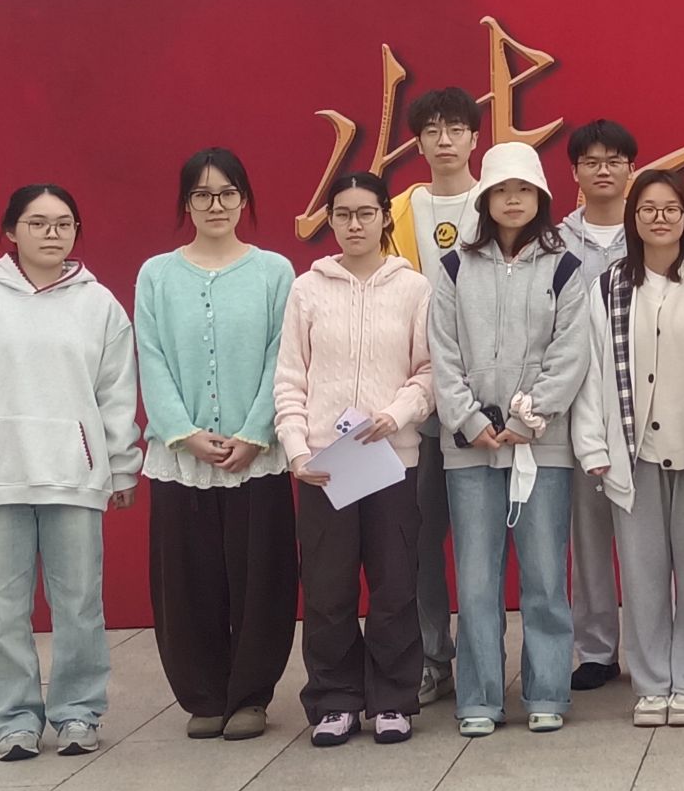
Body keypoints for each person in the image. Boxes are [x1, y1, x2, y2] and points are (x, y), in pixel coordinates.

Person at [0, 185, 140, 761]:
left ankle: (78, 713)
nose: (51, 233)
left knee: (80, 605)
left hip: (75, 478)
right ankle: (14, 720)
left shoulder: (100, 305)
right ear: (11, 232)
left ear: (76, 232)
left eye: (63, 223)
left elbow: (117, 395)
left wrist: (121, 466)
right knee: (5, 610)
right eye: (37, 223)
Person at [573, 169, 684, 728]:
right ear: (634, 218)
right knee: (642, 574)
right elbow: (591, 370)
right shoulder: (609, 286)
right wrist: (593, 445)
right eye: (648, 208)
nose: (659, 218)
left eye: (670, 208)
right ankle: (651, 685)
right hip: (634, 453)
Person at [135, 148, 299, 741]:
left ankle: (251, 696)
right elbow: (150, 356)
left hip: (258, 457)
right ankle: (203, 695)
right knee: (186, 581)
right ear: (186, 203)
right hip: (182, 459)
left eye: (228, 193)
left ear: (244, 199)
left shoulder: (275, 272)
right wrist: (183, 433)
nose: (216, 205)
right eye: (202, 195)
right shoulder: (156, 275)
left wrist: (255, 433)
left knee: (262, 579)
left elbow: (283, 356)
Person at [430, 141, 591, 738]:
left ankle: (547, 691)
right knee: (476, 578)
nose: (513, 200)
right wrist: (469, 420)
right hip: (470, 447)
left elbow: (571, 352)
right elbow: (443, 353)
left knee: (545, 573)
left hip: (540, 445)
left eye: (524, 190)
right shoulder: (454, 267)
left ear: (541, 197)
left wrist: (529, 418)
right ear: (485, 199)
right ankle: (479, 697)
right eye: (502, 190)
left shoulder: (565, 267)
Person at [274, 172, 434, 747]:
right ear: (331, 221)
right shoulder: (307, 289)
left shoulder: (413, 287)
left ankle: (392, 699)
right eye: (343, 214)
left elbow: (429, 371)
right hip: (326, 464)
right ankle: (335, 699)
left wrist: (397, 413)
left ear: (385, 218)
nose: (355, 224)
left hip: (392, 460)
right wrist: (297, 450)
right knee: (328, 588)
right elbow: (290, 378)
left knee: (395, 584)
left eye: (366, 213)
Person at [386, 87, 480, 709]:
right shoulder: (395, 211)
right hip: (415, 404)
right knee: (416, 539)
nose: (444, 140)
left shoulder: (500, 200)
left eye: (456, 128)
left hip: (482, 401)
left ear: (475, 136)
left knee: (481, 540)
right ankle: (431, 656)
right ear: (417, 141)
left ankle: (482, 661)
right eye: (432, 130)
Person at [556, 119, 638, 692]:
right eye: (592, 161)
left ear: (633, 168)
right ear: (576, 172)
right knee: (587, 536)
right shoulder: (553, 242)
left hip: (640, 401)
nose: (603, 170)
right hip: (574, 406)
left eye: (614, 160)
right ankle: (596, 649)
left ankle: (652, 644)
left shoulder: (653, 230)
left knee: (647, 535)